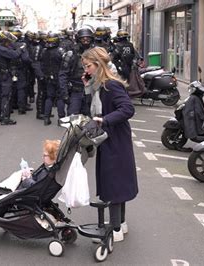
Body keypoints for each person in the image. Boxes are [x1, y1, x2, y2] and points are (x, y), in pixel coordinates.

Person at [81, 47, 138, 242]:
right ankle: (120, 223)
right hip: (110, 138)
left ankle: (115, 230)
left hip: (116, 139)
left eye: (88, 66)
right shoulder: (100, 84)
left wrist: (104, 120)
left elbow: (127, 109)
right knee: (115, 180)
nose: (86, 70)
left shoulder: (111, 85)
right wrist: (87, 86)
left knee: (114, 182)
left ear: (98, 65)